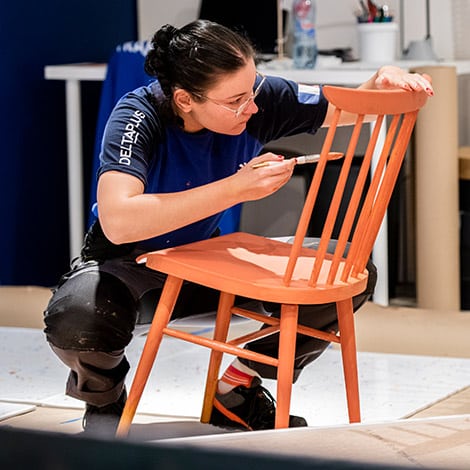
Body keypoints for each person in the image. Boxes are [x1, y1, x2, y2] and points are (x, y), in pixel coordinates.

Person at [43, 19, 434, 435]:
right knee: (78, 317)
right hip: (129, 266)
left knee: (346, 271)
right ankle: (104, 400)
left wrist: (382, 81)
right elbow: (119, 221)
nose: (252, 107)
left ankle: (236, 389)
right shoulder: (138, 116)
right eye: (236, 100)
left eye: (252, 90)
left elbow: (348, 106)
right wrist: (235, 189)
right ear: (184, 99)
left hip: (203, 258)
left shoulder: (257, 99)